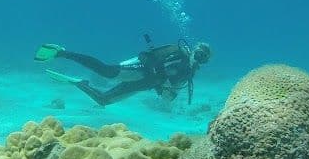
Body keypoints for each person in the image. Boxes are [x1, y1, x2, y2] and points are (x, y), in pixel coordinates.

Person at [34, 36, 212, 106]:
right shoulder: (176, 51)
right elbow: (149, 57)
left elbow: (168, 95)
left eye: (203, 58)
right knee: (105, 71)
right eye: (199, 53)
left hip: (143, 84)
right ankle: (62, 53)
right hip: (139, 70)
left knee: (103, 100)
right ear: (194, 50)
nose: (198, 58)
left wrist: (164, 88)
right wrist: (161, 78)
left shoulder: (188, 75)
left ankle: (80, 83)